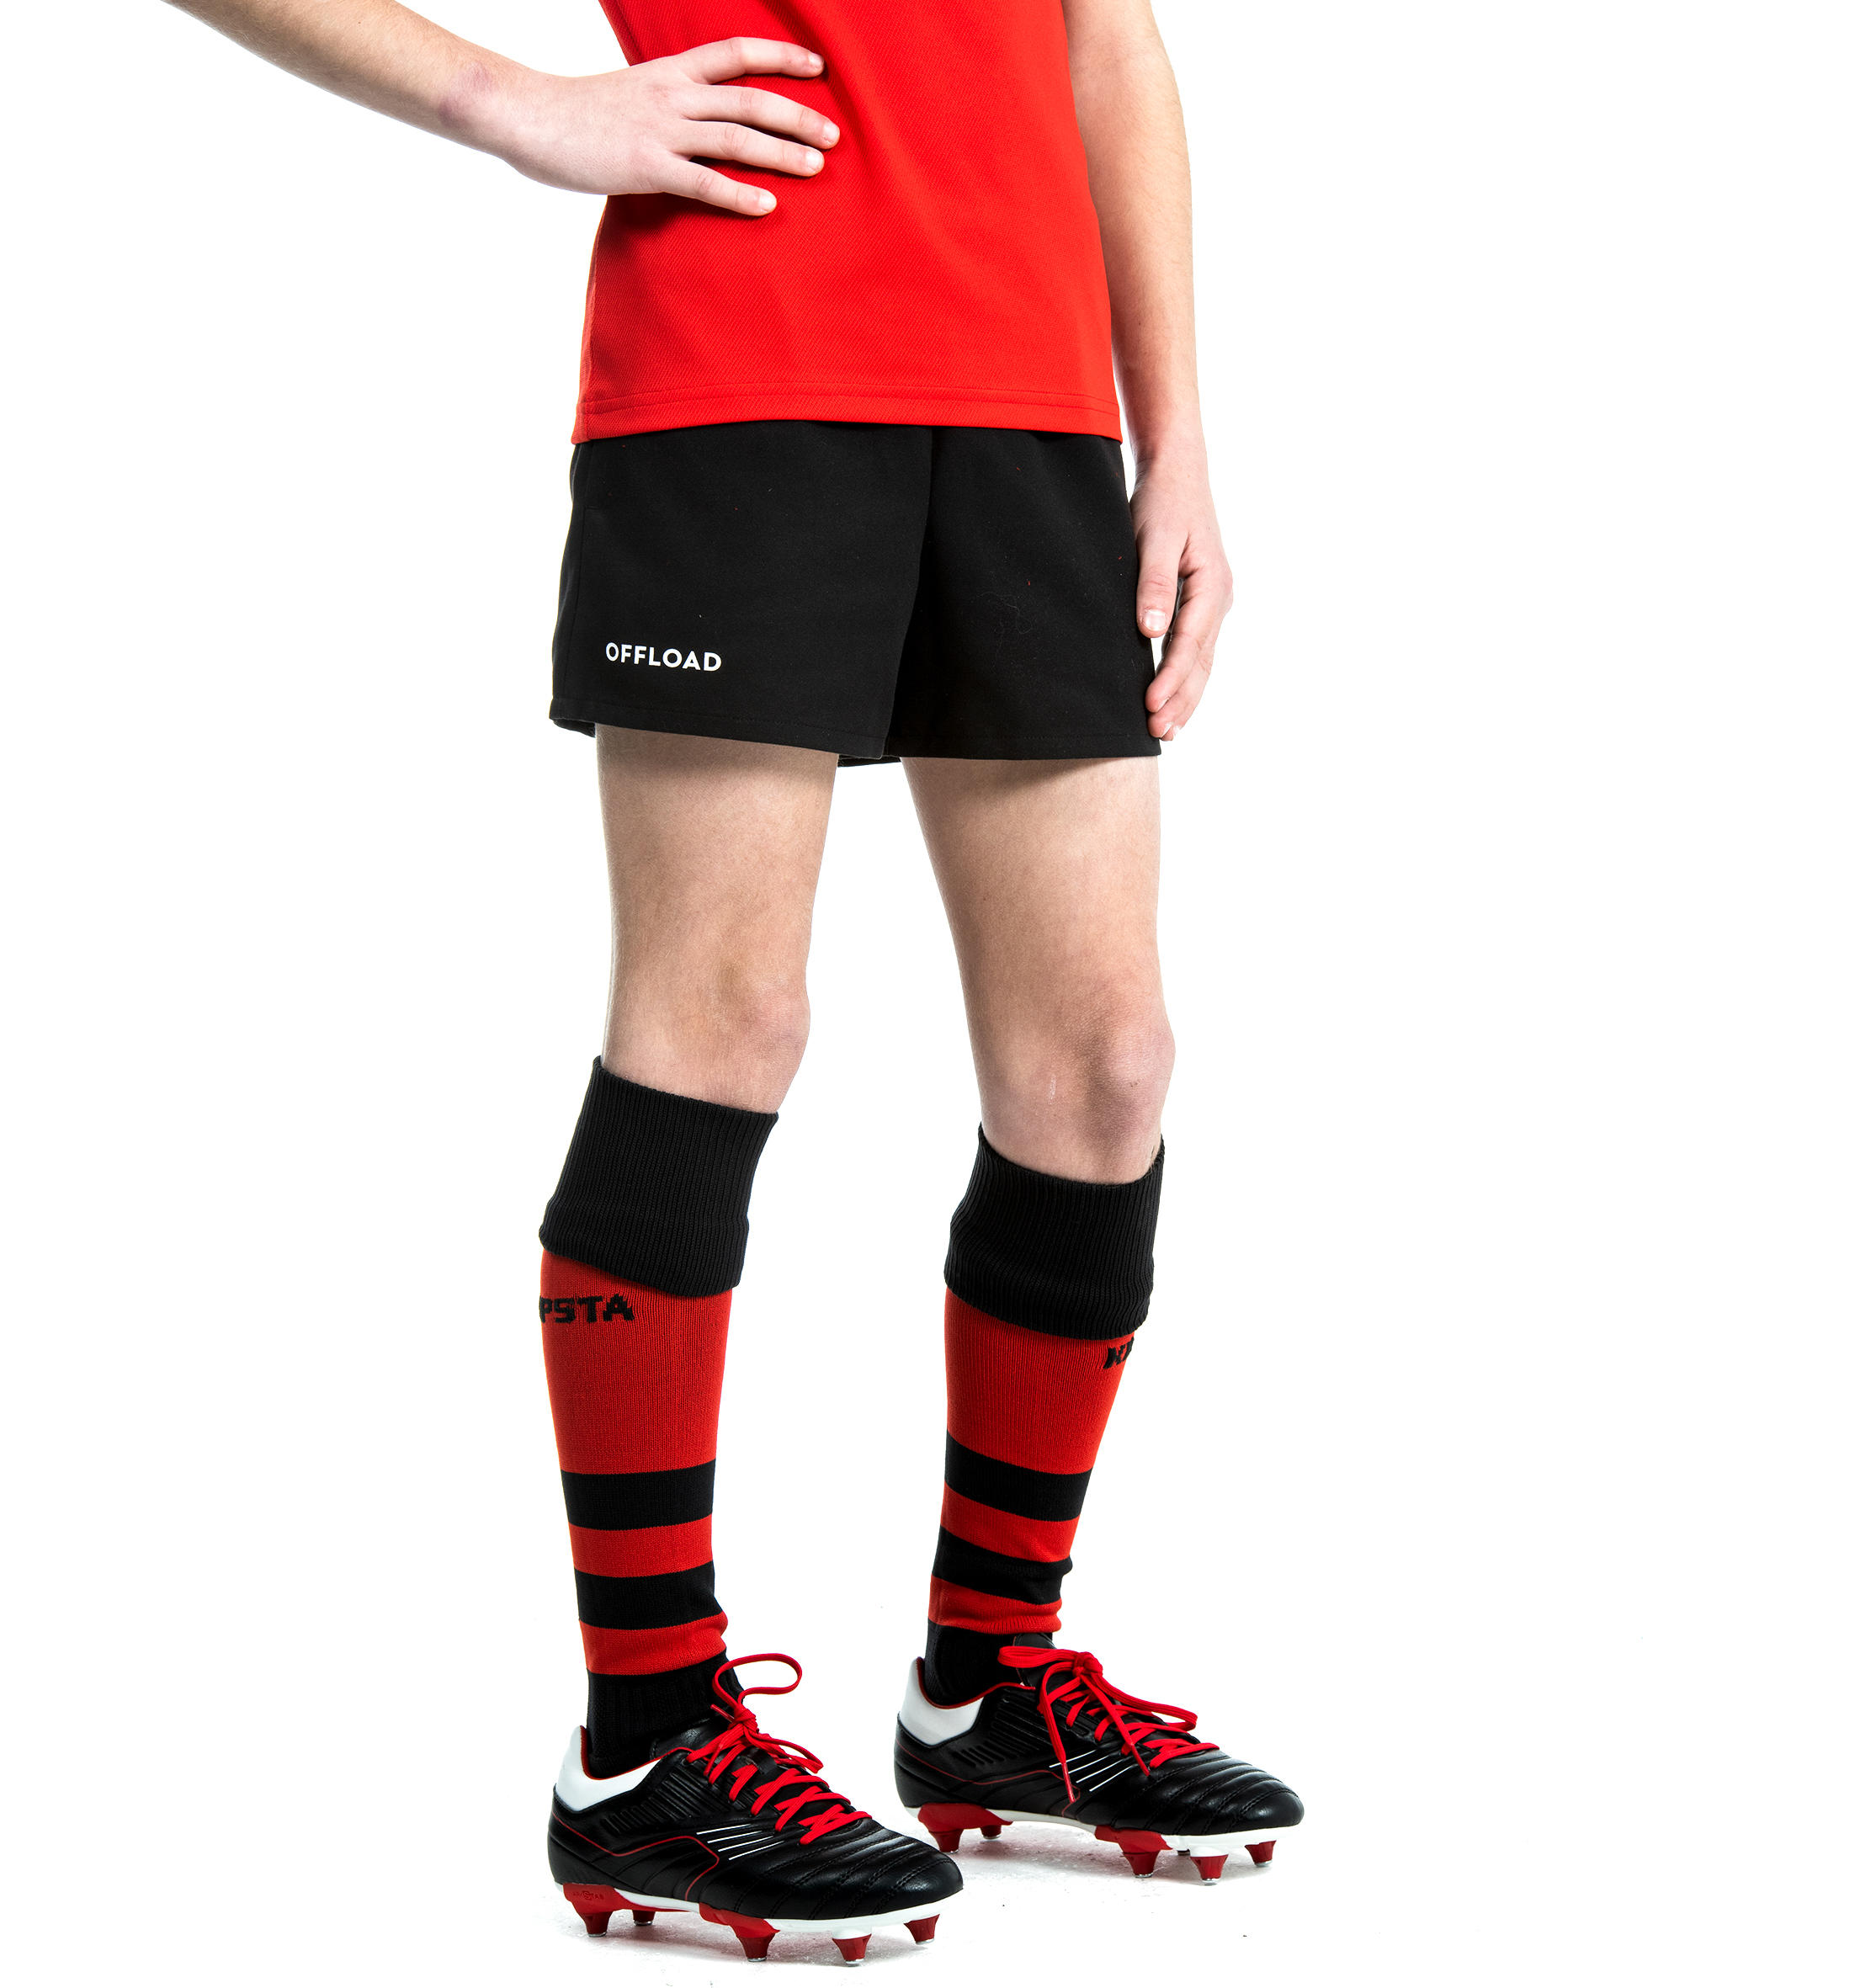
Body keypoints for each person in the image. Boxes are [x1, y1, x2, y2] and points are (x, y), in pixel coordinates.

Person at [167, 0, 1302, 1961]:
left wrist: (1175, 427)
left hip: (1034, 403)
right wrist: (507, 103)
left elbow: (1101, 41)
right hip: (743, 372)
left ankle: (987, 1685)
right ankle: (643, 1741)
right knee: (721, 1022)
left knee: (1103, 1065)